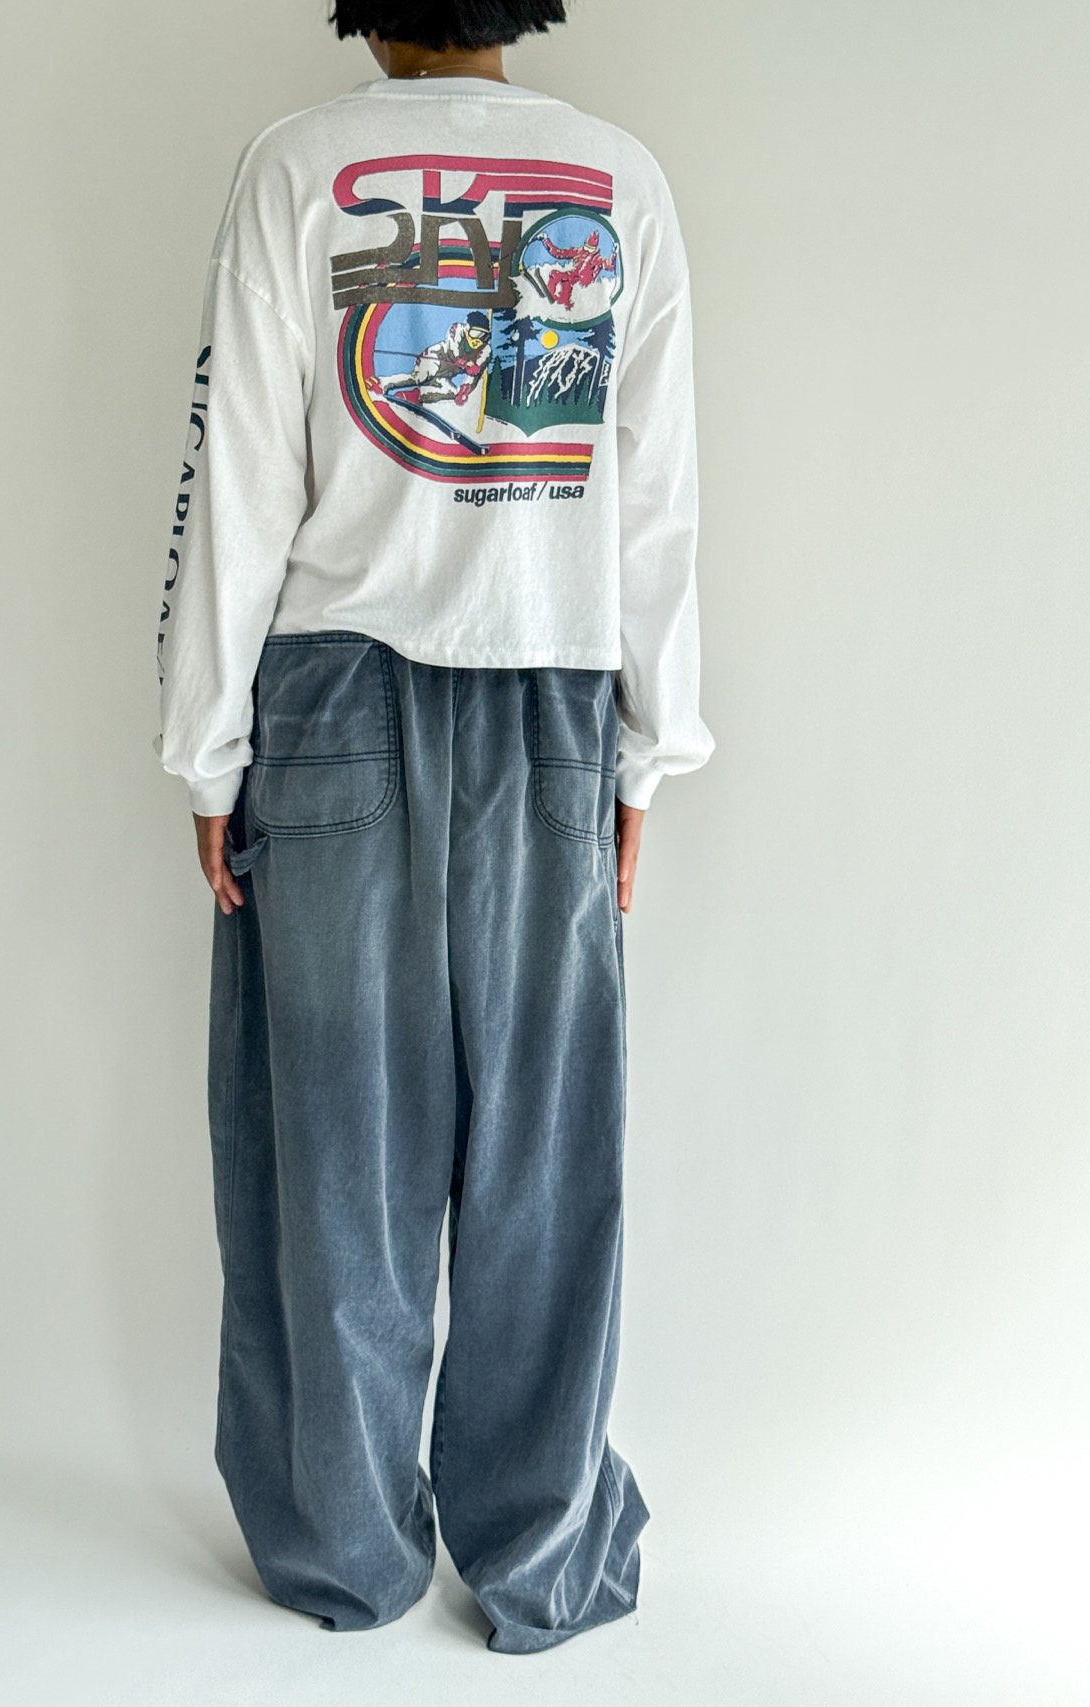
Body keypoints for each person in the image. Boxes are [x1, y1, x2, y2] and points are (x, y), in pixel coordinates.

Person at [153, 0, 715, 1656]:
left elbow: (238, 471)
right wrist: (648, 753)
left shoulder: (297, 168)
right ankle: (541, 1547)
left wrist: (209, 752)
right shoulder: (618, 181)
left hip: (332, 698)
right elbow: (655, 496)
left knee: (334, 1148)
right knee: (545, 1146)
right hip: (552, 699)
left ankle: (342, 1544)